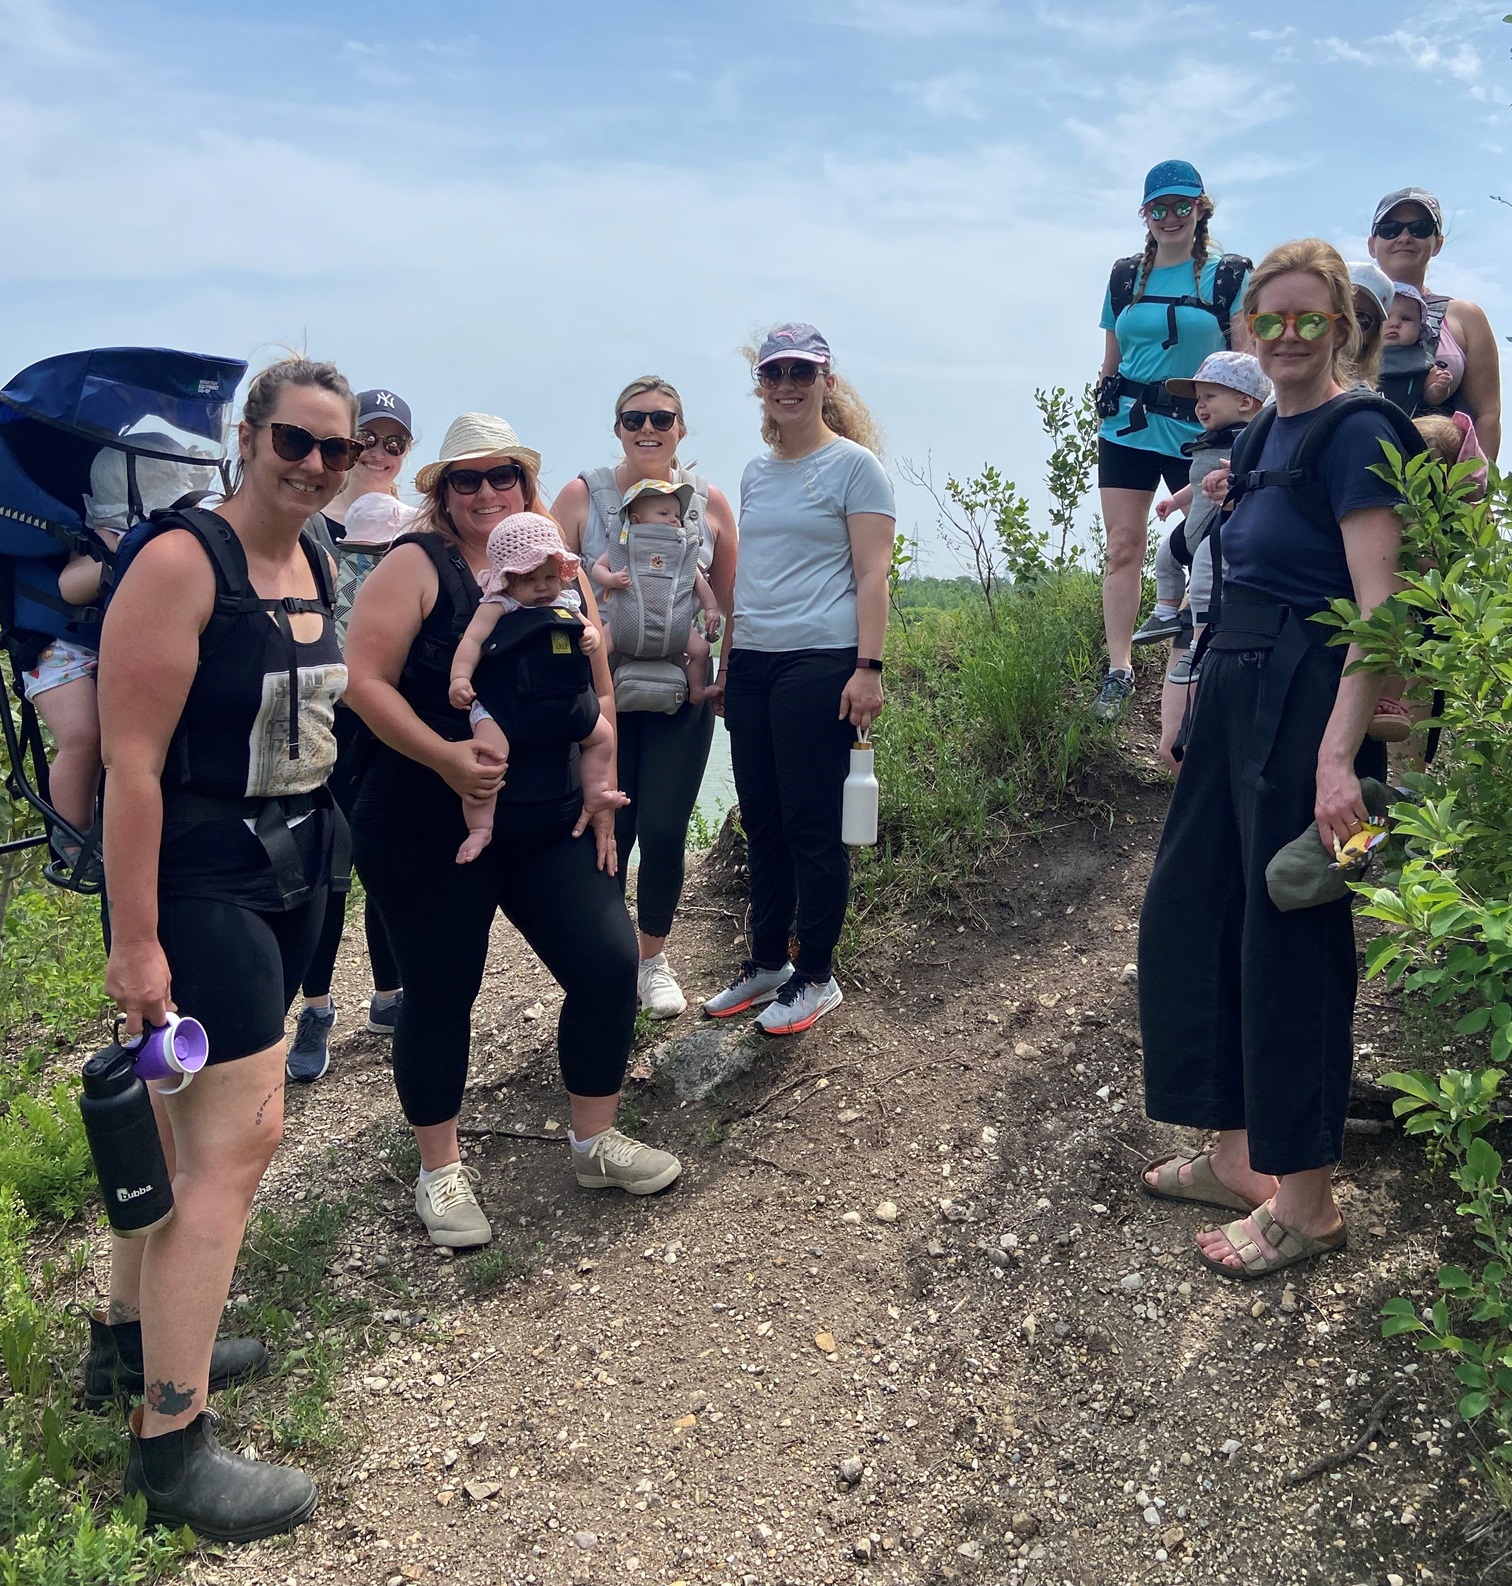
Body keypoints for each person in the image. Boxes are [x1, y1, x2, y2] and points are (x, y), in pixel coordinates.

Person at [97, 356, 362, 1538]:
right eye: (293, 442)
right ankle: (174, 1448)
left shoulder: (311, 560)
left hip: (292, 862)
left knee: (172, 1124)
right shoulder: (178, 562)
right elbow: (132, 767)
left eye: (334, 450)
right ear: (248, 438)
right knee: (236, 1146)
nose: (312, 465)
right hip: (205, 879)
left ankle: (126, 1343)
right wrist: (138, 943)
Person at [1137, 240, 1408, 1281]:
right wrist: (1188, 694)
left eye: (1310, 317)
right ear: (1251, 330)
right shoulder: (1257, 439)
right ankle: (1236, 1152)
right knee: (1192, 913)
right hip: (1234, 688)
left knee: (1291, 934)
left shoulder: (1358, 429)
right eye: (1272, 319)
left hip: (1307, 696)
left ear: (1340, 324)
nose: (1289, 335)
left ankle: (1309, 1201)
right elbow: (1214, 585)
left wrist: (1337, 759)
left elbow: (1380, 610)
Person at [345, 413, 682, 1251]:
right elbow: (363, 684)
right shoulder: (415, 568)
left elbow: (599, 692)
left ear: (527, 487)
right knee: (442, 993)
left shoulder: (556, 572)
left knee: (608, 966)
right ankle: (440, 1170)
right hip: (427, 822)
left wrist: (601, 786)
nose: (489, 492)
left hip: (548, 820)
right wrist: (449, 759)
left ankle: (594, 1140)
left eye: (505, 476)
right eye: (468, 479)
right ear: (442, 494)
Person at [704, 322, 893, 1036]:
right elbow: (751, 577)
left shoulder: (854, 467)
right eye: (774, 373)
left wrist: (868, 668)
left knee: (812, 825)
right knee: (764, 820)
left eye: (801, 373)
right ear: (761, 385)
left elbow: (873, 572)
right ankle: (767, 964)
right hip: (753, 661)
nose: (786, 385)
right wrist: (729, 664)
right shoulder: (756, 473)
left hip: (822, 659)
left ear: (826, 382)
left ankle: (816, 973)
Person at [553, 379, 737, 1021]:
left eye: (663, 417)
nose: (648, 428)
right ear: (618, 428)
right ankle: (607, 963)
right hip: (601, 695)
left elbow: (727, 600)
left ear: (682, 428)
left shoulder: (709, 504)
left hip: (680, 694)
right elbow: (536, 586)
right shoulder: (581, 496)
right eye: (635, 418)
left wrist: (725, 673)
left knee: (662, 830)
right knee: (609, 829)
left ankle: (651, 961)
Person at [1092, 159, 1250, 722]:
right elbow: (1111, 361)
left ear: (1201, 208)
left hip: (1203, 433)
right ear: (1145, 214)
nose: (1170, 217)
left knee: (1212, 546)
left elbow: (1243, 361)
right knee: (1123, 545)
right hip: (1127, 430)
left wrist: (1245, 433)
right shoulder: (1123, 277)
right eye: (1159, 208)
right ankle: (1119, 670)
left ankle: (1202, 661)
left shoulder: (1229, 276)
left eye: (1182, 206)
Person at [286, 389, 413, 1081]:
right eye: (368, 438)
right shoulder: (307, 524)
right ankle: (317, 1004)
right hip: (320, 714)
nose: (380, 453)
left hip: (388, 711)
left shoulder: (416, 526)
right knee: (324, 866)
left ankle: (390, 994)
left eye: (396, 443)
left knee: (385, 851)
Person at [448, 511, 622, 863]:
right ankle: (480, 827)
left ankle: (596, 792)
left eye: (549, 576)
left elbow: (589, 628)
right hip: (504, 706)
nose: (543, 586)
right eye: (530, 578)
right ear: (507, 579)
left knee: (603, 737)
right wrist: (459, 678)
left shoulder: (567, 602)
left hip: (564, 703)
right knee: (487, 760)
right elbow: (471, 641)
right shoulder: (500, 605)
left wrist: (590, 636)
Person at [1145, 352, 1271, 738]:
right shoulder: (1208, 442)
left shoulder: (1251, 440)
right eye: (1198, 398)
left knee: (1202, 581)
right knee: (1165, 556)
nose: (1199, 406)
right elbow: (1197, 480)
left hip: (1221, 530)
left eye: (1209, 397)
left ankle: (1200, 646)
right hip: (1196, 522)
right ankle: (1165, 611)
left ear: (1245, 401)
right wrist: (1175, 500)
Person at [1368, 187, 1501, 457]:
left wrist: (1477, 492)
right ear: (1372, 244)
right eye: (1390, 229)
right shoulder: (1348, 314)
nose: (1405, 237)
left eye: (1420, 227)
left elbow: (1487, 414)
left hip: (1439, 482)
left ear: (1437, 242)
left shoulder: (1465, 316)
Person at [590, 479, 721, 708]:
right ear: (635, 519)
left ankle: (697, 690)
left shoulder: (682, 547)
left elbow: (697, 580)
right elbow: (596, 568)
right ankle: (600, 690)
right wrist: (611, 580)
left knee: (701, 650)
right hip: (624, 624)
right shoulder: (624, 544)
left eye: (677, 515)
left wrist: (711, 608)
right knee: (597, 649)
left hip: (676, 627)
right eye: (664, 513)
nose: (673, 519)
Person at [1382, 281, 1458, 408]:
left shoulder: (1423, 363)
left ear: (1420, 328)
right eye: (1385, 317)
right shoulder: (1363, 356)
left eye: (1406, 319)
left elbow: (1429, 399)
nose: (1394, 323)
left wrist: (1439, 389)